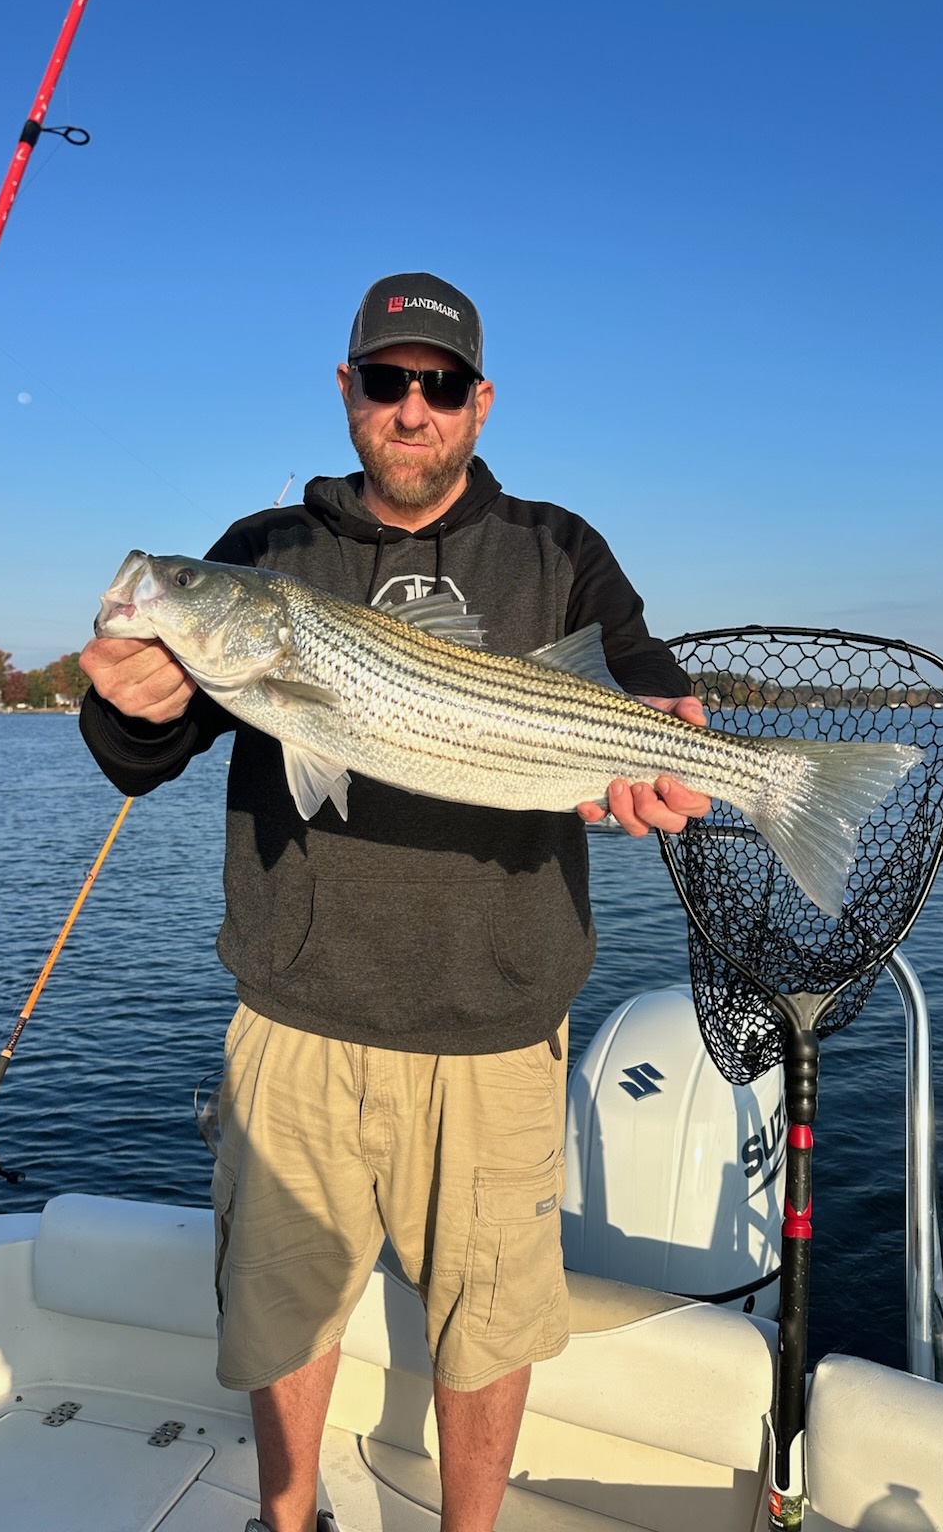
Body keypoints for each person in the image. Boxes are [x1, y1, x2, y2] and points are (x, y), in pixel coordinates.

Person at [78, 272, 709, 1532]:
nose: (411, 408)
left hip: (498, 1021)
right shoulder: (260, 559)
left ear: (480, 403)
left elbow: (642, 681)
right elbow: (141, 756)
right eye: (386, 380)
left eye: (438, 385)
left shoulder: (560, 547)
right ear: (347, 391)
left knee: (489, 1322)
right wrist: (123, 702)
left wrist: (668, 745)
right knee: (283, 1300)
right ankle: (289, 1515)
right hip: (298, 1017)